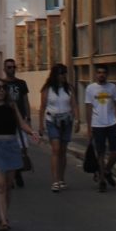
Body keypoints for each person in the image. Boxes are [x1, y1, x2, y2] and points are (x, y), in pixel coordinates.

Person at [0, 76, 39, 231]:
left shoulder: (12, 105)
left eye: (3, 88)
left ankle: (4, 216)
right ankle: (3, 221)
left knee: (7, 186)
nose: (1, 90)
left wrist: (32, 132)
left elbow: (21, 123)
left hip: (11, 147)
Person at [84, 61, 116, 194]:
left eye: (104, 73)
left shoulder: (112, 87)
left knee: (115, 152)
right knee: (100, 153)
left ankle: (106, 170)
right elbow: (88, 108)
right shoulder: (90, 88)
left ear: (107, 74)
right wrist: (89, 127)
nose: (101, 75)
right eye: (99, 72)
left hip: (112, 122)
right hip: (97, 124)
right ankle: (102, 181)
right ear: (96, 74)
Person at [39, 62, 79, 191]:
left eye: (64, 73)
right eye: (61, 73)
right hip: (52, 120)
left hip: (66, 121)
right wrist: (40, 125)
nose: (63, 76)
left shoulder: (69, 88)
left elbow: (74, 105)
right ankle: (55, 181)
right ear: (55, 75)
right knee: (56, 149)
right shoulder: (47, 89)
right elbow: (42, 107)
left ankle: (61, 178)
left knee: (63, 150)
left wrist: (77, 120)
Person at [2, 56, 31, 189]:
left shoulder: (21, 83)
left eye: (14, 67)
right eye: (9, 67)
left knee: (22, 147)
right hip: (6, 120)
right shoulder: (1, 85)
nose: (12, 69)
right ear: (4, 69)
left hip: (20, 119)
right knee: (8, 148)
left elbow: (25, 100)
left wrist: (28, 118)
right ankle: (11, 175)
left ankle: (18, 170)